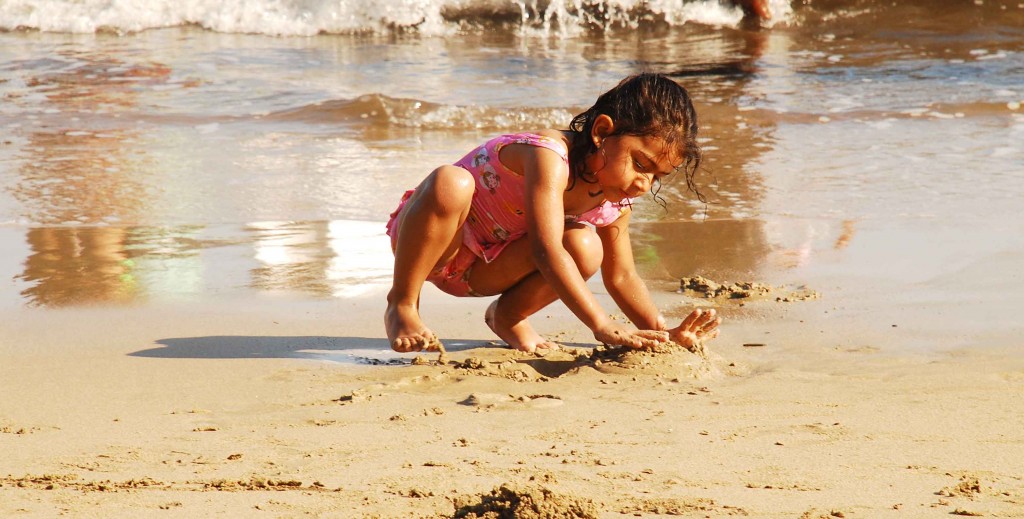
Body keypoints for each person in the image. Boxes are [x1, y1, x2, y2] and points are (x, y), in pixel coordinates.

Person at [385, 73, 721, 354]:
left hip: (482, 273)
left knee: (586, 246)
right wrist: (600, 323)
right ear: (602, 132)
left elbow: (621, 276)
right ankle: (402, 303)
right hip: (433, 246)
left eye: (657, 176)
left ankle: (509, 317)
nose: (643, 184)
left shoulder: (615, 200)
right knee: (451, 182)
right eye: (640, 164)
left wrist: (663, 332)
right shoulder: (548, 156)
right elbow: (545, 250)